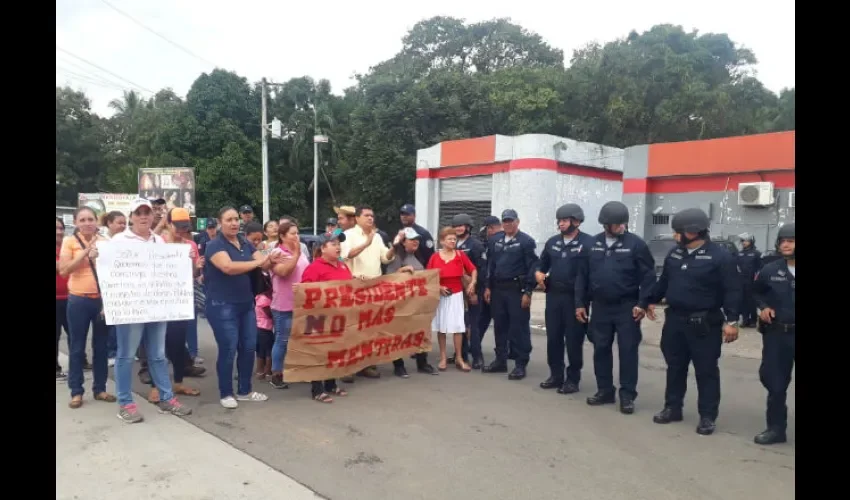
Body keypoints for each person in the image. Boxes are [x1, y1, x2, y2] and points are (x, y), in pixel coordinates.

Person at [640, 208, 741, 434]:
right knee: (675, 367)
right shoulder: (675, 254)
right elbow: (664, 282)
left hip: (705, 323)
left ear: (694, 232)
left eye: (678, 232)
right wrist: (648, 300)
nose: (675, 236)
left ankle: (707, 416)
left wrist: (732, 321)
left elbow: (733, 290)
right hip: (675, 320)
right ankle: (672, 408)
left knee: (705, 370)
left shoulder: (720, 257)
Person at [111, 199, 191, 423]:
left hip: (156, 306)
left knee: (157, 354)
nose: (144, 216)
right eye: (139, 212)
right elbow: (110, 269)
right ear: (131, 216)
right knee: (126, 355)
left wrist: (186, 261)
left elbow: (169, 271)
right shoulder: (119, 240)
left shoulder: (159, 241)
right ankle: (125, 403)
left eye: (147, 212)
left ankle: (166, 398)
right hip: (130, 307)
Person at [575, 201, 655, 414]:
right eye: (617, 224)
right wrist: (580, 304)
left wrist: (643, 303)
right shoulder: (592, 244)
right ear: (606, 225)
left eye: (623, 223)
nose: (622, 227)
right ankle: (605, 391)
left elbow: (648, 276)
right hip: (600, 306)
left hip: (627, 307)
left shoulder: (636, 244)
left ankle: (627, 395)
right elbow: (582, 276)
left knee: (628, 351)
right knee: (600, 349)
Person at [204, 206, 281, 409]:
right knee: (229, 348)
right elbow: (228, 267)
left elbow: (263, 263)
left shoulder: (244, 243)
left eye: (236, 219)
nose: (234, 223)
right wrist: (258, 262)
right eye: (229, 219)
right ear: (220, 223)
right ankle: (226, 392)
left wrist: (270, 260)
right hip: (221, 305)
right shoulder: (214, 245)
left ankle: (245, 390)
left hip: (246, 304)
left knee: (248, 347)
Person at [58, 207, 114, 409]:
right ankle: (76, 391)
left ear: (96, 221)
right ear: (76, 222)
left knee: (101, 347)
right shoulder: (69, 242)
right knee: (77, 346)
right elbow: (64, 270)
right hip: (78, 300)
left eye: (91, 219)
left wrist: (100, 256)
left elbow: (114, 269)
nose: (87, 222)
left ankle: (100, 388)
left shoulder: (106, 242)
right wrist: (85, 252)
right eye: (83, 219)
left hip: (100, 301)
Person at [536, 204, 595, 394]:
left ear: (576, 221)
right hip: (554, 296)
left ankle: (572, 379)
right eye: (559, 220)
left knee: (573, 340)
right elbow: (542, 263)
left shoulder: (588, 243)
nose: (561, 224)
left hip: (575, 299)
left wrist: (584, 301)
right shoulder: (553, 242)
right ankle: (556, 374)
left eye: (565, 220)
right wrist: (538, 273)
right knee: (553, 338)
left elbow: (591, 274)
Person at [340, 205, 398, 379]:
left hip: (375, 287)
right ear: (357, 218)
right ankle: (348, 367)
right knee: (353, 329)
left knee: (371, 328)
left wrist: (394, 247)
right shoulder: (348, 235)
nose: (370, 218)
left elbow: (385, 258)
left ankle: (367, 364)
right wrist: (367, 243)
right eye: (366, 215)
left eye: (372, 216)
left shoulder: (378, 237)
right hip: (355, 286)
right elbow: (346, 255)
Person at [752, 223, 795, 445]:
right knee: (775, 383)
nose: (785, 244)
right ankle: (776, 429)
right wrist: (763, 307)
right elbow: (756, 291)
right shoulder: (770, 269)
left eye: (791, 240)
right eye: (783, 241)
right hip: (778, 335)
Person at [482, 209, 538, 380]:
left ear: (517, 222)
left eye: (510, 221)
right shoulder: (495, 240)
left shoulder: (526, 241)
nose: (507, 224)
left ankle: (521, 364)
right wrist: (487, 287)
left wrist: (528, 291)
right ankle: (500, 360)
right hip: (498, 289)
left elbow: (533, 267)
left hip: (516, 289)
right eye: (505, 221)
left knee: (518, 327)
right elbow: (490, 265)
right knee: (500, 325)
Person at [300, 232, 352, 403]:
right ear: (323, 248)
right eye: (333, 244)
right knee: (319, 353)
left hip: (339, 317)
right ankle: (317, 389)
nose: (338, 247)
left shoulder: (343, 266)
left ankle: (331, 384)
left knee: (334, 352)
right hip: (320, 318)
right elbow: (306, 293)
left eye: (339, 244)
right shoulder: (314, 268)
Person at [386, 227, 437, 376]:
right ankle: (399, 365)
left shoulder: (419, 256)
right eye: (412, 239)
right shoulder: (396, 257)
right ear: (403, 242)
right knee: (399, 333)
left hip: (417, 302)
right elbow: (389, 277)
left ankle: (422, 362)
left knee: (420, 332)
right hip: (401, 303)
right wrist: (402, 271)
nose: (416, 242)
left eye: (417, 239)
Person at [427, 227, 477, 372]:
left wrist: (472, 283)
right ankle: (443, 357)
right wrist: (439, 287)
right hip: (441, 295)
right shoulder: (435, 257)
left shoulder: (460, 255)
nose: (452, 241)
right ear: (442, 241)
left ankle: (459, 358)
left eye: (454, 239)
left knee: (458, 327)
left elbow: (473, 269)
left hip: (456, 295)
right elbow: (428, 276)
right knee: (442, 328)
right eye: (449, 239)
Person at [268, 220, 310, 390]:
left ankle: (297, 370)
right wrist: (295, 254)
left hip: (301, 304)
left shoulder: (302, 252)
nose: (296, 236)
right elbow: (284, 272)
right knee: (282, 340)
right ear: (282, 236)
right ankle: (276, 374)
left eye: (297, 232)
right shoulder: (278, 252)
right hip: (283, 305)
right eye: (292, 233)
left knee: (300, 339)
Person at [448, 214, 485, 367]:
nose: (458, 228)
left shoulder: (476, 245)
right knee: (460, 324)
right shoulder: (453, 245)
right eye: (456, 226)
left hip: (472, 289)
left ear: (468, 227)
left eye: (461, 226)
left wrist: (475, 291)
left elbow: (481, 270)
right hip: (457, 292)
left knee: (474, 326)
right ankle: (461, 355)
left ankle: (477, 357)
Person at [474, 216, 503, 367]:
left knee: (484, 320)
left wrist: (486, 286)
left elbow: (489, 267)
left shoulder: (493, 242)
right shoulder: (504, 239)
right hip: (497, 287)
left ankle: (476, 348)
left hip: (491, 287)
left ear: (490, 228)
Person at [736, 233, 762, 327]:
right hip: (741, 281)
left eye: (746, 241)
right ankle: (745, 320)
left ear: (751, 241)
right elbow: (736, 267)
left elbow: (760, 268)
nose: (744, 243)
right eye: (742, 241)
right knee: (743, 301)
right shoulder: (739, 253)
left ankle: (753, 321)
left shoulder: (756, 253)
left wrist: (757, 279)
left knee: (752, 301)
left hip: (752, 281)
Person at [56, 217, 70, 381]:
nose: (59, 231)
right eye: (56, 228)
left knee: (74, 333)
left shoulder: (66, 247)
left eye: (61, 228)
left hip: (70, 297)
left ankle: (80, 361)